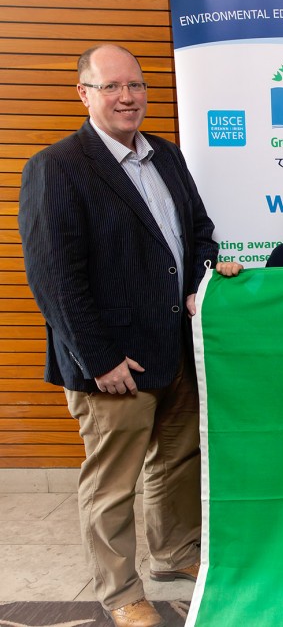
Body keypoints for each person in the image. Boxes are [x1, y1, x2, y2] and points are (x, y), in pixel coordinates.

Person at [18, 44, 218, 627]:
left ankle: (176, 557)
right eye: (111, 87)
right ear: (84, 93)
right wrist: (100, 358)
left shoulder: (168, 158)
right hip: (113, 362)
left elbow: (199, 234)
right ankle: (119, 590)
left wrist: (197, 286)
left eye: (135, 86)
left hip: (176, 349)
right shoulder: (56, 166)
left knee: (176, 463)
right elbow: (54, 277)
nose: (127, 97)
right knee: (113, 483)